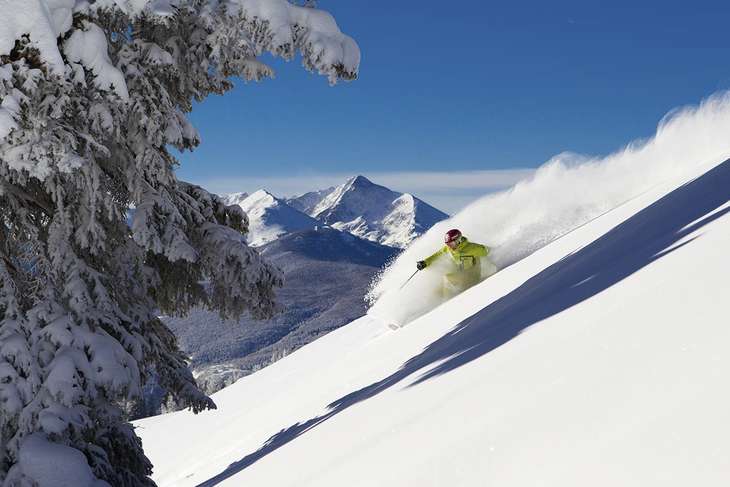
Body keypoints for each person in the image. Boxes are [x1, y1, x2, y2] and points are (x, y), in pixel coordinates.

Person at [417, 229, 490, 297]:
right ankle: (433, 302)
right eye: (448, 244)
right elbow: (437, 255)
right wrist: (425, 262)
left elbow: (487, 251)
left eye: (451, 244)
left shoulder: (471, 248)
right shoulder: (449, 249)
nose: (449, 246)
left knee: (447, 278)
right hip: (461, 275)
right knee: (437, 290)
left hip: (472, 277)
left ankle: (448, 302)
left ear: (458, 240)